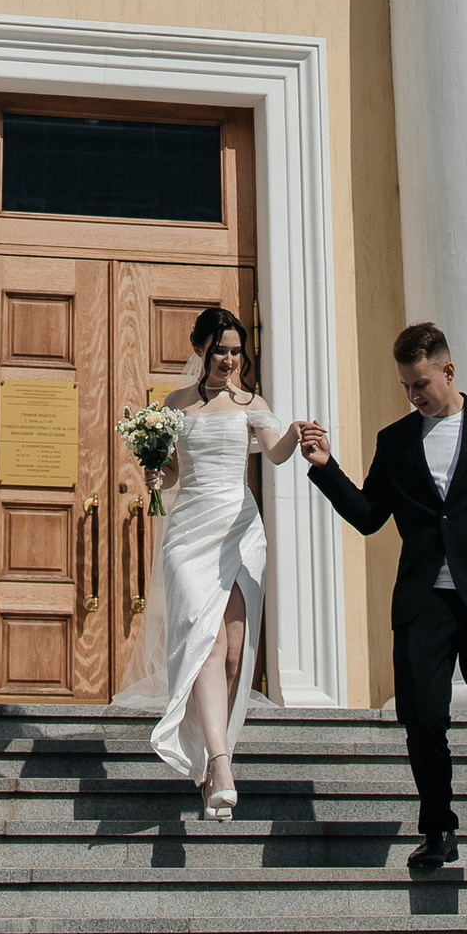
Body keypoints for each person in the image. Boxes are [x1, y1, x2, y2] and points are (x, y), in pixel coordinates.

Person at [297, 321, 467, 923]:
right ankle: (439, 828)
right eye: (405, 386)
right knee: (420, 719)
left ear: (447, 370)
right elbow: (370, 516)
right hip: (424, 603)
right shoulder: (395, 441)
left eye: (420, 384)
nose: (413, 395)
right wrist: (324, 466)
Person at [120, 304, 303, 818]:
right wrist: (155, 473)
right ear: (200, 349)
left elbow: (275, 453)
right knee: (206, 641)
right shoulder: (175, 404)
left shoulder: (251, 402)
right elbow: (173, 473)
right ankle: (221, 766)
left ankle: (210, 761)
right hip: (189, 535)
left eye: (236, 352)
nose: (229, 360)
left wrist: (297, 432)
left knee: (234, 654)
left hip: (239, 532)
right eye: (220, 351)